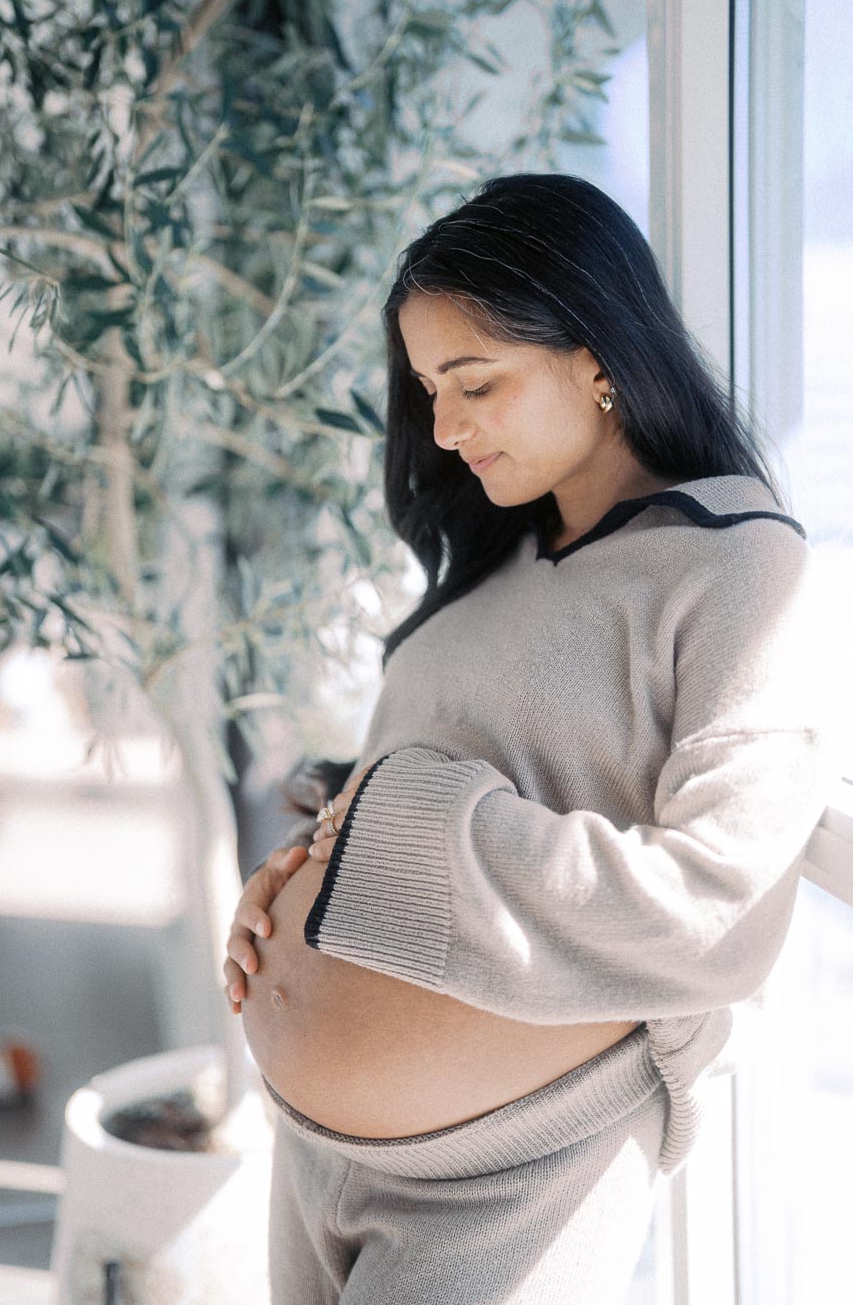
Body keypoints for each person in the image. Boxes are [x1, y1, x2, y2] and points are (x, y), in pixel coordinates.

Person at [222, 173, 835, 1304]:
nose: (444, 430)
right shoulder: (497, 554)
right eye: (427, 391)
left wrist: (408, 823)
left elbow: (720, 904)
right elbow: (410, 785)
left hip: (509, 1183)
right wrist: (303, 860)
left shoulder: (737, 562)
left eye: (476, 384)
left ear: (598, 357)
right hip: (311, 1155)